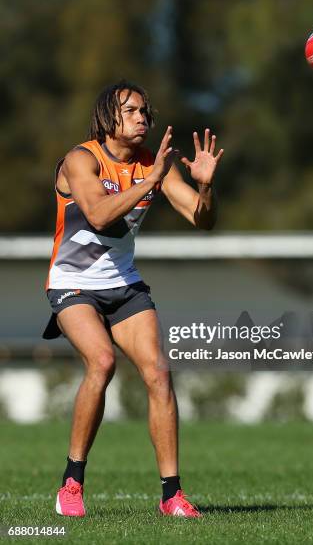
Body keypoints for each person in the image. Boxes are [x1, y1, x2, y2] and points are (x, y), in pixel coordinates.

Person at [42, 80, 224, 518]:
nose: (143, 117)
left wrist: (204, 188)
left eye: (146, 111)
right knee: (102, 362)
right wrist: (152, 180)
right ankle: (72, 481)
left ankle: (172, 496)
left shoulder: (152, 163)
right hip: (73, 283)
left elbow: (203, 221)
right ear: (109, 117)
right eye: (132, 110)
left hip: (124, 285)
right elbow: (101, 215)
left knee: (159, 373)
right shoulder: (80, 159)